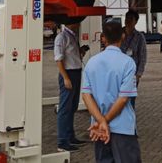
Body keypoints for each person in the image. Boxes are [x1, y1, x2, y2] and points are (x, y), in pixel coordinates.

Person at [81, 19, 141, 163]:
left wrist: (100, 121)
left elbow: (86, 96)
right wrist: (105, 121)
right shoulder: (128, 63)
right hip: (122, 128)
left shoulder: (91, 62)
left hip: (99, 130)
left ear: (103, 38)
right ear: (122, 36)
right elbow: (123, 98)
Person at [54, 22, 86, 152]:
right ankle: (62, 142)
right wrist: (66, 77)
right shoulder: (62, 37)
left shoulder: (72, 35)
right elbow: (58, 59)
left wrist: (81, 52)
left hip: (76, 72)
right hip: (69, 73)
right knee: (65, 108)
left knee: (72, 106)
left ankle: (70, 136)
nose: (79, 23)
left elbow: (71, 55)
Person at [121, 10, 147, 107]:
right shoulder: (118, 33)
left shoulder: (139, 37)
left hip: (132, 74)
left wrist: (138, 74)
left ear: (135, 21)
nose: (128, 21)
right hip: (118, 72)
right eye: (127, 18)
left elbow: (142, 56)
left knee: (130, 100)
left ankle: (129, 119)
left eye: (131, 19)